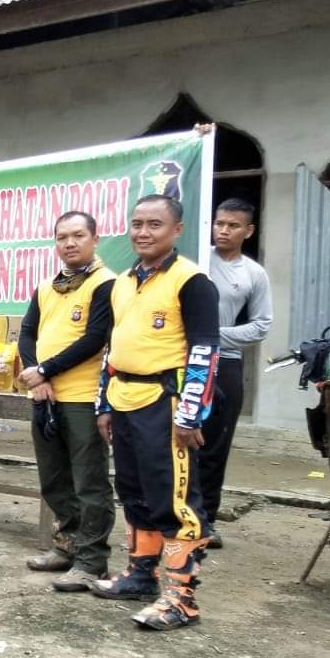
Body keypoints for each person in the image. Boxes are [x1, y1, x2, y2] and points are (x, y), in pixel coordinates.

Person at [91, 195, 220, 631]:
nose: (143, 232)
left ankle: (180, 599)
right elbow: (113, 346)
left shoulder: (192, 281)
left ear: (177, 230)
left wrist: (190, 415)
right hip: (124, 399)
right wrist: (103, 402)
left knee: (174, 500)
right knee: (134, 491)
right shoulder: (123, 281)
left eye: (154, 225)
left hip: (165, 402)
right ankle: (139, 576)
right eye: (137, 223)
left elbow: (205, 350)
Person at [17, 211, 116, 591]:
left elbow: (94, 339)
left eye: (78, 235)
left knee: (89, 481)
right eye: (62, 237)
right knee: (53, 479)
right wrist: (35, 374)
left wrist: (47, 370)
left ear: (95, 239)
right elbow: (27, 333)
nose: (69, 243)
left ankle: (92, 561)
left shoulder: (106, 283)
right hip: (45, 394)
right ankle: (67, 545)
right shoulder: (47, 286)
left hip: (82, 397)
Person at [199, 198, 272, 548]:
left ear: (249, 230)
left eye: (232, 225)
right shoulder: (196, 258)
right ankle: (169, 514)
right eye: (219, 223)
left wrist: (212, 333)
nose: (223, 230)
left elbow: (261, 326)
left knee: (214, 445)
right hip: (180, 360)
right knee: (173, 440)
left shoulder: (253, 273)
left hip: (224, 362)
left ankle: (204, 520)